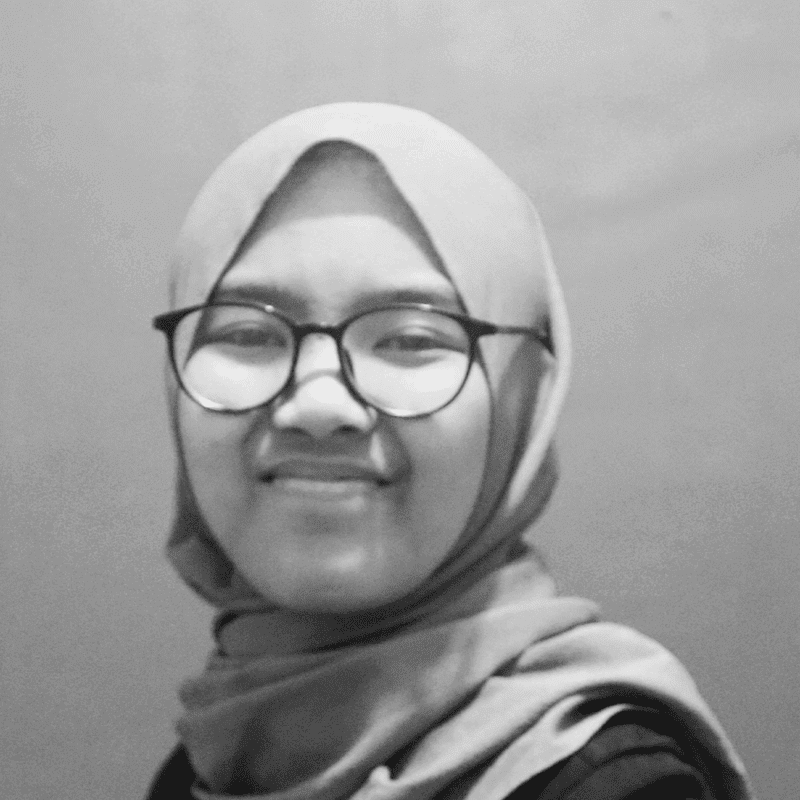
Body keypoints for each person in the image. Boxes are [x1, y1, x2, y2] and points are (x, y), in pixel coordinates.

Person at [146, 103, 753, 799]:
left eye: (410, 338)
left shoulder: (606, 787)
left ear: (520, 397)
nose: (318, 406)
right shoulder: (213, 760)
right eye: (246, 334)